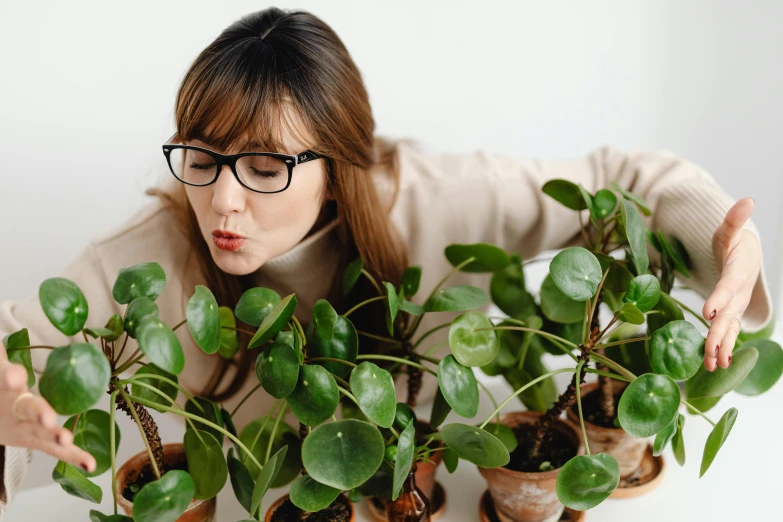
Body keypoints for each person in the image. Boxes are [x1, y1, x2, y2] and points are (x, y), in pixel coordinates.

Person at [0, 7, 773, 518]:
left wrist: (728, 246)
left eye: (265, 167)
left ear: (338, 165)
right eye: (200, 158)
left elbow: (628, 179)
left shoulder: (435, 201)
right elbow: (15, 358)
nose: (222, 202)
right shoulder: (147, 258)